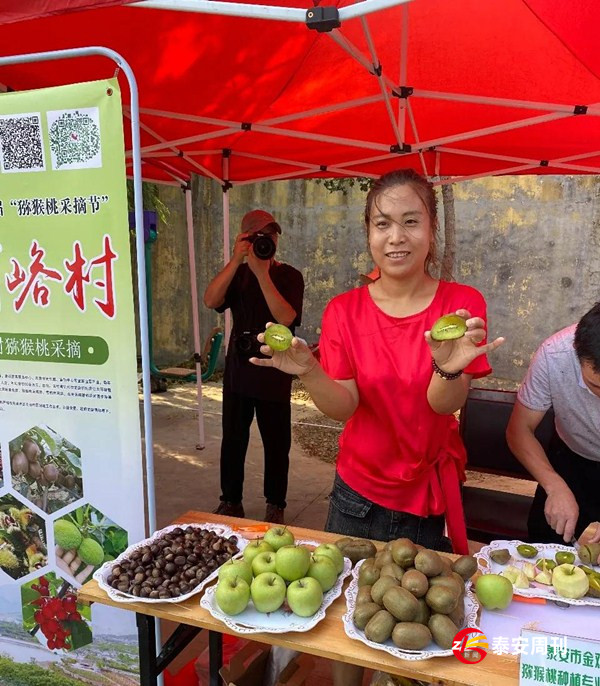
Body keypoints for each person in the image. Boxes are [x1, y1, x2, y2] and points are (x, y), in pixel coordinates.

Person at [251, 168, 503, 686]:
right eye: (383, 223)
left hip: (424, 501)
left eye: (411, 221)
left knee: (412, 638)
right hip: (356, 496)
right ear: (368, 231)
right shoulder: (345, 311)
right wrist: (311, 371)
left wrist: (448, 366)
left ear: (431, 229)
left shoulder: (462, 305)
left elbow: (443, 404)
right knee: (348, 622)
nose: (396, 237)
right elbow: (343, 406)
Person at [203, 209, 304, 524]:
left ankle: (276, 504)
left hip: (276, 370)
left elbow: (286, 318)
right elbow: (210, 300)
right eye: (258, 235)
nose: (266, 240)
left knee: (277, 443)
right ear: (245, 238)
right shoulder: (238, 274)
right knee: (233, 440)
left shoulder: (289, 275)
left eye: (271, 234)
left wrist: (262, 273)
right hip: (239, 370)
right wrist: (236, 261)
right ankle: (230, 501)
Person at [506, 304, 600, 550]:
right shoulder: (555, 354)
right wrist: (554, 485)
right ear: (576, 353)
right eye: (596, 386)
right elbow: (519, 429)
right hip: (570, 461)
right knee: (546, 547)